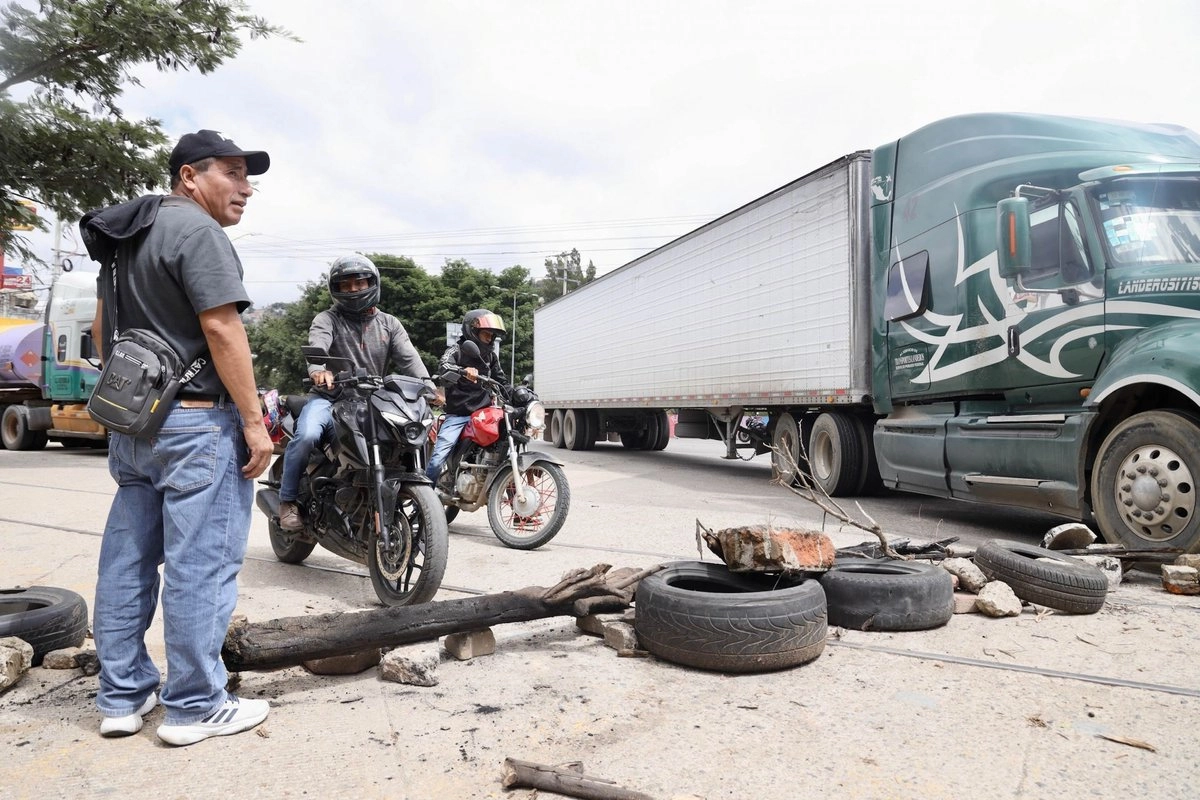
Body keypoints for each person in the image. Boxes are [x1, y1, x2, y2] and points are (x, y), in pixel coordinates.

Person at [81, 130, 275, 746]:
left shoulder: (127, 236)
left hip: (136, 423)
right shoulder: (199, 233)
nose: (246, 188)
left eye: (249, 178)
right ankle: (195, 705)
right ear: (190, 176)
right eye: (233, 173)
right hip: (197, 424)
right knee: (201, 565)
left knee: (127, 560)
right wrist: (253, 421)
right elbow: (222, 329)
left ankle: (121, 696)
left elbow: (101, 333)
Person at [277, 254, 432, 530]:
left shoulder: (389, 324)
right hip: (330, 398)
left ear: (372, 283)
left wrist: (428, 386)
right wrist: (319, 371)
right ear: (335, 290)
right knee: (308, 434)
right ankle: (287, 500)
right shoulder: (328, 319)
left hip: (373, 401)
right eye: (346, 285)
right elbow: (318, 347)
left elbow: (410, 359)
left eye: (359, 283)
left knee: (412, 431)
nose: (353, 290)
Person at [425, 309, 508, 485]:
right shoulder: (457, 350)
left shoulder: (491, 357)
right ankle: (424, 496)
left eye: (492, 336)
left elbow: (502, 382)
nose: (490, 339)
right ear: (473, 331)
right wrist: (463, 371)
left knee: (505, 444)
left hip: (484, 415)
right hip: (459, 415)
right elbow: (444, 366)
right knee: (438, 459)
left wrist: (523, 396)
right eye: (486, 334)